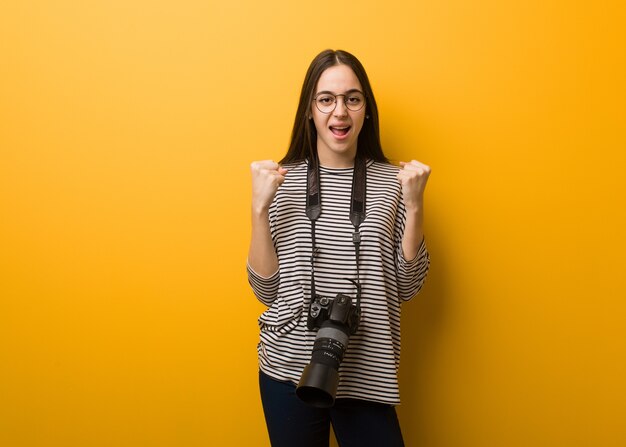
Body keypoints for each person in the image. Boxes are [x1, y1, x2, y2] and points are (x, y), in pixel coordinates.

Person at [247, 49, 431, 447]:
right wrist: (259, 209)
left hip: (368, 371)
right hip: (289, 368)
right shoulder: (280, 181)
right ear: (309, 110)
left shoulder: (396, 183)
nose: (340, 112)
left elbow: (408, 288)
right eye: (326, 99)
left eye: (352, 98)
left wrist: (415, 205)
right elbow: (265, 293)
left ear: (367, 109)